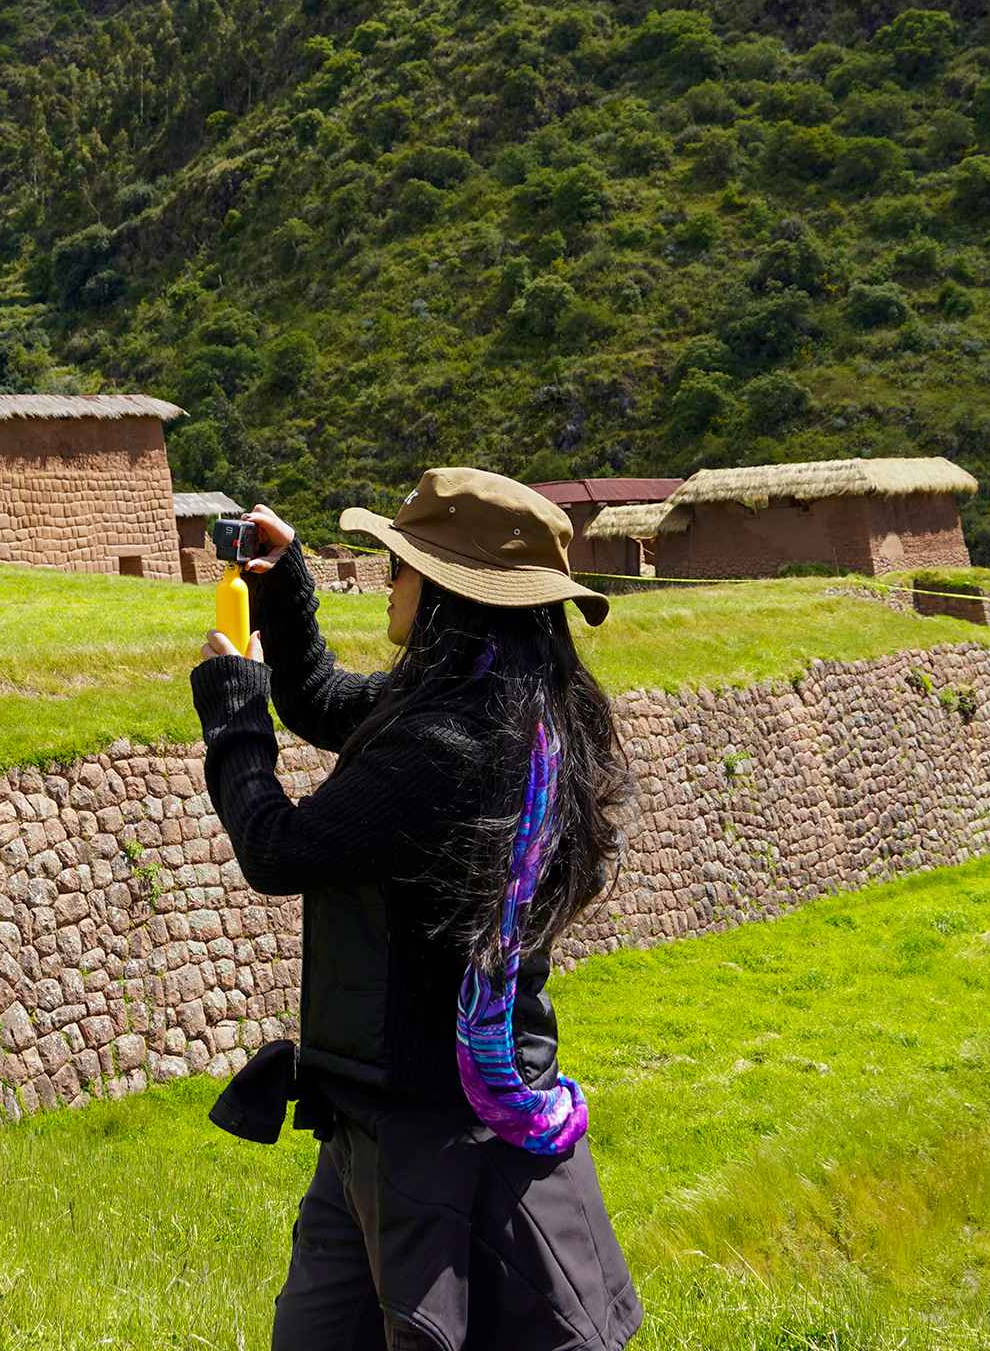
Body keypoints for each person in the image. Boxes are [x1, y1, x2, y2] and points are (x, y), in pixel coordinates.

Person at [188, 466, 642, 1350]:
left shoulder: (448, 745)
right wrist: (286, 589)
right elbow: (322, 701)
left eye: (401, 566)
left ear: (447, 592)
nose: (390, 582)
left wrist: (233, 715)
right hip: (377, 1114)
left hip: (423, 1141)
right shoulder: (514, 707)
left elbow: (276, 850)